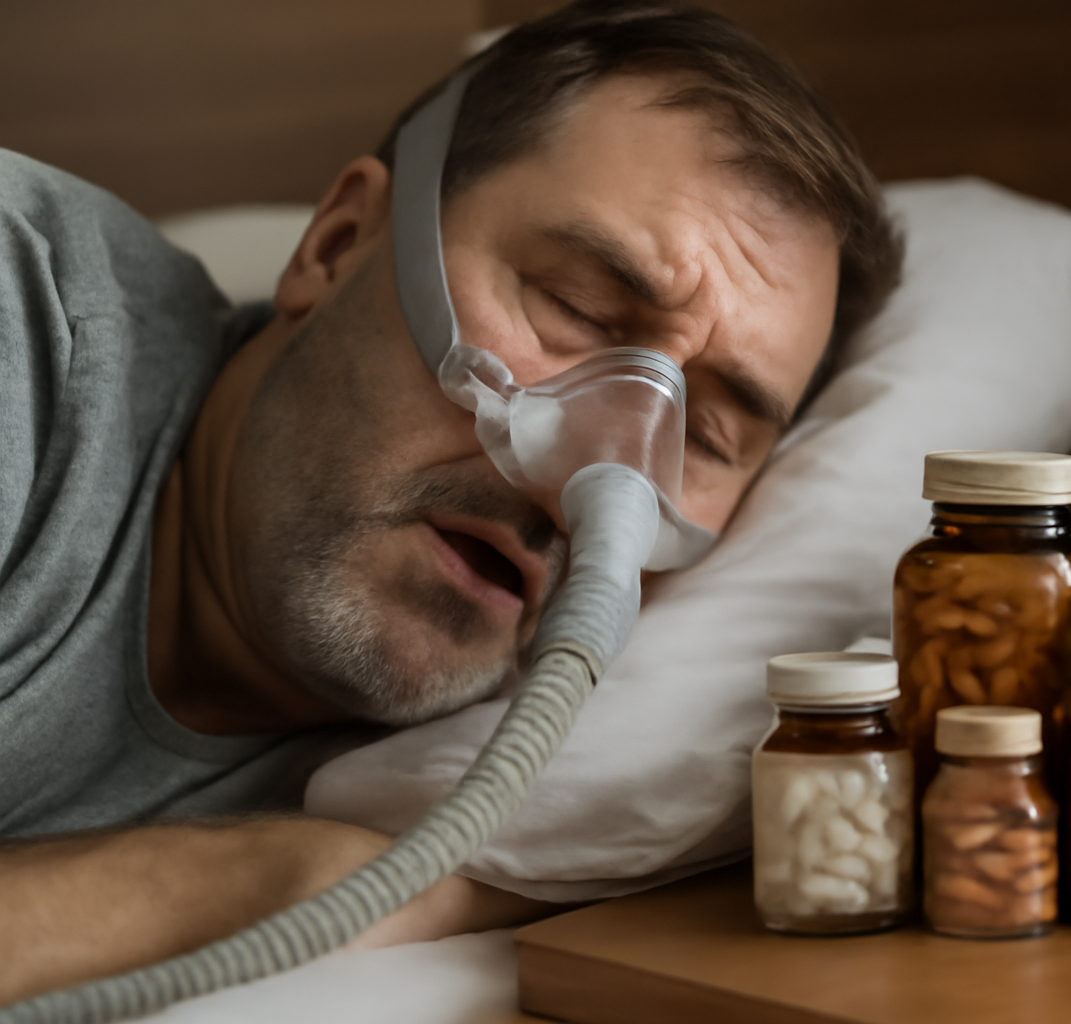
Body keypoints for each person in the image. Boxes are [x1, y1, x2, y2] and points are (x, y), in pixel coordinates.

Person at [0, 0, 902, 1003]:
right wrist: (272, 876)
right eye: (577, 308)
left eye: (706, 434)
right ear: (337, 241)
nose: (596, 470)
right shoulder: (24, 323)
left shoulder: (509, 792)